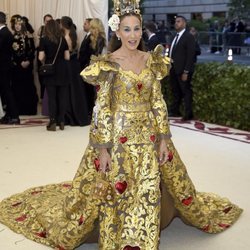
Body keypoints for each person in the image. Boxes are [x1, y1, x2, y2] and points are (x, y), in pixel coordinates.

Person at [0, 1, 242, 249]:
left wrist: (163, 139)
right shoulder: (108, 63)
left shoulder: (152, 61)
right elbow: (102, 108)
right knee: (118, 188)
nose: (133, 35)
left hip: (148, 136)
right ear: (117, 32)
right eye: (127, 29)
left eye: (137, 29)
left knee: (148, 188)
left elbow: (157, 102)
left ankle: (141, 237)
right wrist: (102, 148)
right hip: (117, 138)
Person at [38, 19, 70, 131]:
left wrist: (45, 61)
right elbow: (67, 57)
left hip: (50, 70)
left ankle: (52, 121)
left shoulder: (44, 39)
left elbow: (40, 57)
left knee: (52, 97)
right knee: (62, 97)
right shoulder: (63, 39)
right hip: (63, 70)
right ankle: (61, 121)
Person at [60, 16, 89, 126]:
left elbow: (66, 54)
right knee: (75, 90)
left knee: (70, 90)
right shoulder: (73, 34)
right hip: (74, 64)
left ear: (63, 25)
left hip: (69, 65)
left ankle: (70, 116)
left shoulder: (66, 37)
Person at [168, 16, 196, 120]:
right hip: (173, 69)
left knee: (186, 91)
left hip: (183, 70)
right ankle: (175, 111)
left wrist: (186, 71)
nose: (176, 23)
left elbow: (190, 55)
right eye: (175, 22)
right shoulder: (175, 36)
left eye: (178, 21)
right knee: (175, 91)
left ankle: (188, 113)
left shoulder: (188, 37)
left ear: (184, 23)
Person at [10, 15, 38, 115]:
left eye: (19, 24)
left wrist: (28, 61)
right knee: (17, 87)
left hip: (27, 66)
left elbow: (32, 50)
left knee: (28, 86)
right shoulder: (12, 37)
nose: (17, 26)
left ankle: (29, 109)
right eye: (16, 24)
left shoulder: (28, 36)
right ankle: (19, 109)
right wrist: (20, 62)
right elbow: (12, 53)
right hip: (17, 67)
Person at [79, 18, 106, 119]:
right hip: (93, 66)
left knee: (90, 91)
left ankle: (90, 112)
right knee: (92, 91)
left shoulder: (92, 38)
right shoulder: (100, 38)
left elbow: (86, 53)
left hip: (89, 67)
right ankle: (91, 111)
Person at [0, 11, 20, 124]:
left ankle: (14, 116)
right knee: (5, 91)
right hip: (5, 66)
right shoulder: (5, 32)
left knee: (7, 91)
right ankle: (8, 115)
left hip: (3, 67)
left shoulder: (3, 33)